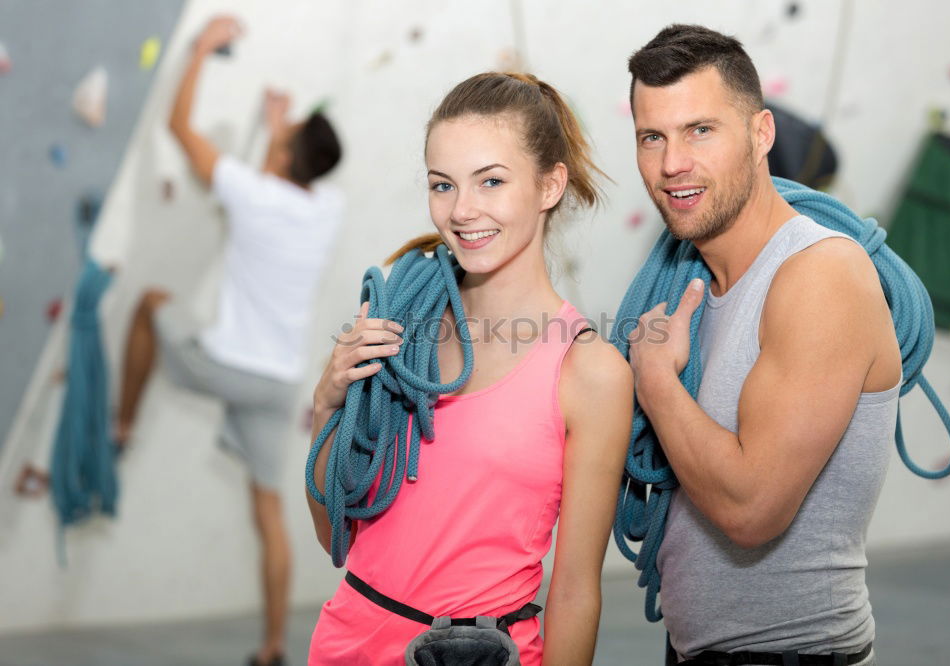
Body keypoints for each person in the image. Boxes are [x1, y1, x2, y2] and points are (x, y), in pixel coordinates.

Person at [306, 72, 633, 665]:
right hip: (347, 642)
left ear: (550, 184)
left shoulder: (590, 372)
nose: (461, 211)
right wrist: (328, 403)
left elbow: (577, 592)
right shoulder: (401, 327)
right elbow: (335, 532)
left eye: (491, 181)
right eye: (442, 185)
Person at [625, 25, 900, 665]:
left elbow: (753, 509)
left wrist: (657, 382)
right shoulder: (692, 286)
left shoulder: (819, 274)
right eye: (652, 138)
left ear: (761, 134)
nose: (672, 164)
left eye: (701, 130)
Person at [115, 15, 344, 666]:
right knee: (268, 509)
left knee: (150, 304)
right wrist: (280, 131)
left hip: (224, 365)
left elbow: (178, 129)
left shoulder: (250, 195)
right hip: (277, 384)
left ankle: (123, 424)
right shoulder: (327, 210)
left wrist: (199, 49)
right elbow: (291, 171)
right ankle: (274, 645)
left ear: (285, 157)